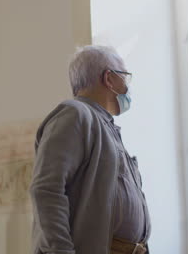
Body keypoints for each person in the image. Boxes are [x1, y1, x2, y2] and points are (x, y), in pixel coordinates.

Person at [29, 45, 151, 254]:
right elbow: (46, 190)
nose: (128, 87)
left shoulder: (105, 126)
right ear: (109, 78)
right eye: (125, 77)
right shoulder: (75, 114)